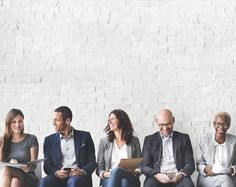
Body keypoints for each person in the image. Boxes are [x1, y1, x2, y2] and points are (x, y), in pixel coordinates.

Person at [39, 106, 97, 187]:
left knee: (74, 182)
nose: (53, 123)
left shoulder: (85, 137)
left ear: (67, 121)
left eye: (57, 120)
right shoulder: (49, 140)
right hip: (58, 177)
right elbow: (47, 165)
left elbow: (92, 162)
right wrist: (57, 172)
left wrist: (82, 171)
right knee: (44, 182)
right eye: (53, 120)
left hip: (78, 177)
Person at [141, 109, 195, 187]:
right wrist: (156, 175)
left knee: (188, 185)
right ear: (156, 122)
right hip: (157, 177)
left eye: (168, 124)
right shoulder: (149, 140)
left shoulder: (184, 138)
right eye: (161, 124)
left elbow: (190, 164)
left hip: (178, 177)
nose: (165, 128)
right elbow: (144, 166)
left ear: (173, 120)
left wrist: (181, 174)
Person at [96, 109, 142, 187]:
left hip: (130, 176)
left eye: (113, 119)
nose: (110, 122)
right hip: (109, 178)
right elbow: (99, 169)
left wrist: (134, 171)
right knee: (121, 179)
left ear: (122, 120)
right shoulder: (104, 142)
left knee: (118, 172)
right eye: (109, 120)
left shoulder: (134, 141)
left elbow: (139, 166)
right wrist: (109, 174)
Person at [0, 108, 39, 187]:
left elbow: (34, 165)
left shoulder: (31, 139)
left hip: (28, 175)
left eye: (20, 121)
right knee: (15, 181)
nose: (17, 125)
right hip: (9, 176)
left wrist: (27, 167)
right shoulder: (3, 141)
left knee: (7, 170)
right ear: (8, 123)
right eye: (14, 122)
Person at [196, 111, 236, 187]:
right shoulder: (204, 140)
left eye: (225, 124)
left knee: (226, 178)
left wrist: (233, 169)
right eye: (218, 123)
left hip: (229, 177)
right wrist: (206, 170)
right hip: (208, 178)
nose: (221, 127)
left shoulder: (234, 141)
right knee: (225, 179)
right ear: (214, 124)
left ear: (229, 125)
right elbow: (199, 163)